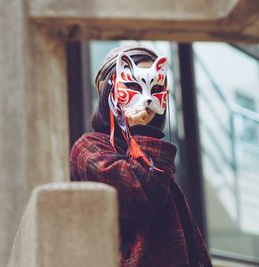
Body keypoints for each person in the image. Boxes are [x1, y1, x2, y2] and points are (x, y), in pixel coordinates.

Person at [70, 43, 213, 267]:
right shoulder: (89, 148)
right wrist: (141, 134)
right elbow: (140, 195)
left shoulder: (151, 151)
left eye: (155, 88)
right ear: (107, 87)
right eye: (133, 86)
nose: (146, 99)